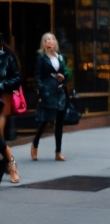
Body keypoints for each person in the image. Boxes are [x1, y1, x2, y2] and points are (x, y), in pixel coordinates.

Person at [32, 33, 68, 162]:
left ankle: (58, 152)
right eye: (46, 40)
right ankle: (35, 144)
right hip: (48, 92)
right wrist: (42, 90)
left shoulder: (60, 57)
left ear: (55, 42)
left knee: (59, 123)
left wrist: (64, 77)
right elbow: (37, 76)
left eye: (51, 39)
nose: (49, 42)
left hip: (60, 92)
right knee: (45, 121)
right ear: (43, 43)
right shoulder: (41, 58)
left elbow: (66, 72)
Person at [0, 33, 21, 140]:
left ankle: (2, 149)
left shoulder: (8, 57)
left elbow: (17, 77)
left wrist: (3, 85)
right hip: (4, 91)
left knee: (1, 117)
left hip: (4, 93)